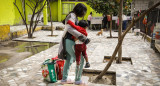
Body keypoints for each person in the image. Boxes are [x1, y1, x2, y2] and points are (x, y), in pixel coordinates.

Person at [58, 3, 90, 85]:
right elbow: (70, 29)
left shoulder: (73, 16)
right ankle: (78, 80)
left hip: (68, 41)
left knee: (69, 59)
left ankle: (64, 79)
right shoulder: (71, 16)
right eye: (84, 12)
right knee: (81, 60)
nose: (84, 14)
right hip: (69, 41)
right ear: (80, 10)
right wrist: (82, 37)